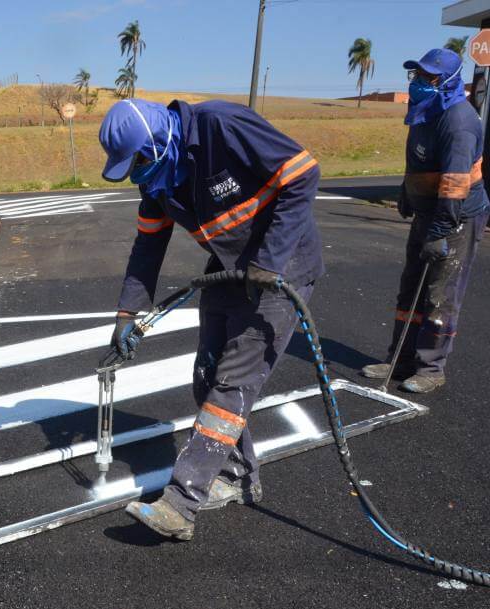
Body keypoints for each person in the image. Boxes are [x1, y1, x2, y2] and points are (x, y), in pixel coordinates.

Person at [98, 98, 323, 541]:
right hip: (228, 267)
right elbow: (148, 246)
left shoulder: (220, 126)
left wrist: (270, 259)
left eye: (140, 160)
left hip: (281, 269)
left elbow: (303, 174)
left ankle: (181, 504)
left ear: (159, 140)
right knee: (206, 377)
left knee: (232, 383)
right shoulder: (158, 180)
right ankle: (237, 475)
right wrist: (127, 312)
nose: (138, 172)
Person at [361, 48, 489, 393]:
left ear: (447, 82)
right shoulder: (424, 111)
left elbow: (455, 185)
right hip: (427, 210)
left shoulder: (459, 122)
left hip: (456, 215)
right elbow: (417, 162)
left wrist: (440, 232)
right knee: (410, 288)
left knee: (438, 294)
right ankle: (400, 359)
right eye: (417, 75)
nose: (419, 82)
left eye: (428, 77)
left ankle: (431, 368)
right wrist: (407, 193)